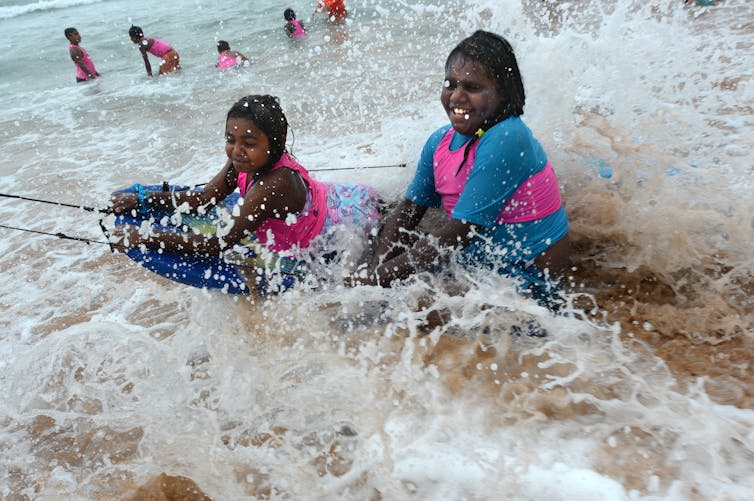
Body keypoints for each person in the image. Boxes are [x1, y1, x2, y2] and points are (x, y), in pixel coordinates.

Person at [348, 31, 569, 307]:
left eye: (472, 88)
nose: (456, 96)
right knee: (373, 245)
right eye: (450, 84)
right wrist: (375, 266)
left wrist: (376, 279)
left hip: (529, 279)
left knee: (414, 311)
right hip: (480, 261)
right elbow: (408, 211)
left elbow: (460, 232)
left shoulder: (508, 137)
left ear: (503, 93)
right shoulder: (439, 142)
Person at [110, 95, 381, 292]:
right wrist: (143, 199)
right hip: (325, 200)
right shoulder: (242, 161)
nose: (237, 150)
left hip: (339, 225)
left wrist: (146, 236)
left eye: (249, 143)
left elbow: (218, 243)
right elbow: (204, 198)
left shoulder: (273, 184)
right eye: (230, 140)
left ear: (275, 144)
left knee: (355, 270)